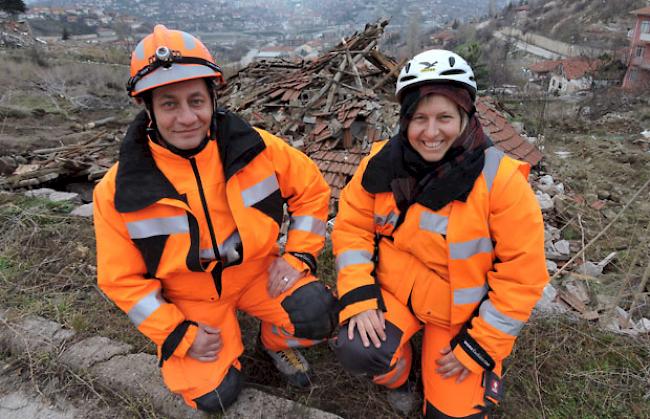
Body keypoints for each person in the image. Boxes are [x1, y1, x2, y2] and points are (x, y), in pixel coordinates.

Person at [93, 25, 338, 413]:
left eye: (196, 100)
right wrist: (177, 332)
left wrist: (298, 257)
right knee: (215, 395)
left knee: (317, 314)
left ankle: (273, 342)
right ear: (149, 109)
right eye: (169, 104)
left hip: (260, 274)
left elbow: (311, 191)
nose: (187, 117)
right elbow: (120, 280)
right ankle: (222, 344)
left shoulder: (257, 148)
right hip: (190, 298)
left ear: (213, 98)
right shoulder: (118, 189)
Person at [330, 49, 549, 418]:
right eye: (419, 118)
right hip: (396, 294)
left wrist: (480, 344)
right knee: (358, 348)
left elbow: (522, 275)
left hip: (461, 317)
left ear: (466, 116)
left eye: (445, 117)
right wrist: (360, 295)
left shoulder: (501, 182)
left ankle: (443, 384)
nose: (431, 133)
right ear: (405, 120)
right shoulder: (382, 163)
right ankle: (401, 379)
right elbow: (352, 226)